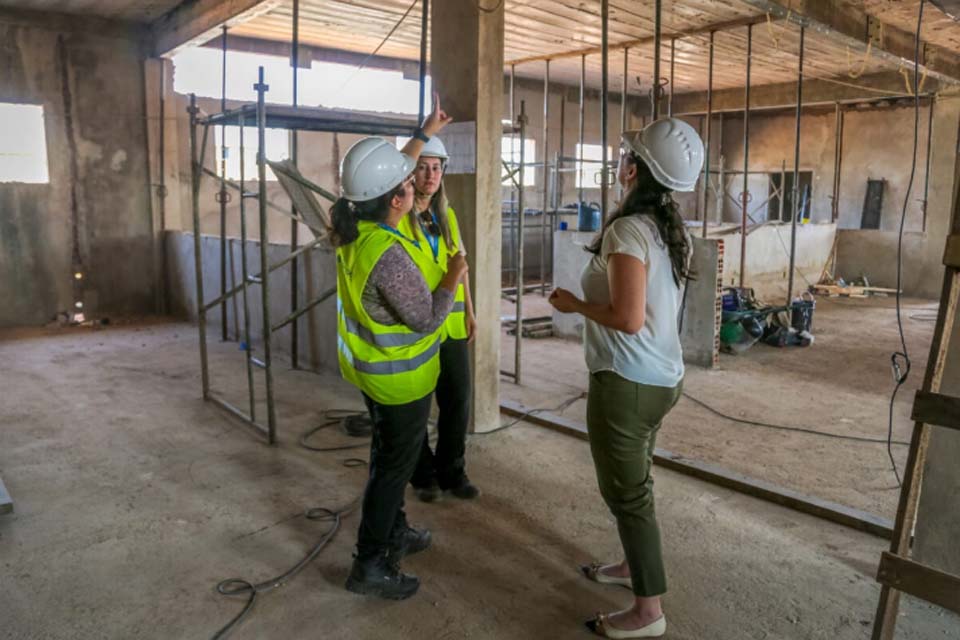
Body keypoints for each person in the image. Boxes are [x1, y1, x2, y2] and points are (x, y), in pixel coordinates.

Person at [548, 117, 703, 639]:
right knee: (632, 486)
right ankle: (632, 567)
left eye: (622, 157)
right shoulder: (665, 226)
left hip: (627, 381)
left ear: (633, 169)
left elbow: (627, 318)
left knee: (628, 493)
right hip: (659, 377)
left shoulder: (627, 230)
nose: (618, 164)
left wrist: (574, 304)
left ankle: (647, 611)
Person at [332, 95, 465, 600]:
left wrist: (426, 129)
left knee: (388, 458)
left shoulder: (357, 229)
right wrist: (453, 275)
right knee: (392, 472)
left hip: (371, 374)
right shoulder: (387, 254)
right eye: (409, 182)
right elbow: (428, 318)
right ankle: (370, 564)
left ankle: (395, 532)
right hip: (399, 382)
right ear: (396, 199)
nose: (416, 183)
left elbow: (386, 175)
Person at [398, 135, 480, 502]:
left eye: (437, 167)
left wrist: (471, 313)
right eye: (422, 166)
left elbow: (459, 268)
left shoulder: (447, 216)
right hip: (416, 325)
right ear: (410, 170)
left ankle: (452, 470)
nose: (430, 175)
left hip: (451, 323)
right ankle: (422, 474)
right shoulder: (397, 217)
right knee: (416, 406)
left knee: (458, 399)